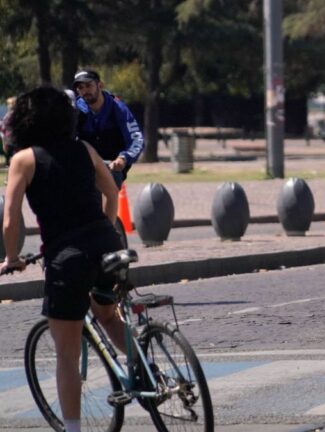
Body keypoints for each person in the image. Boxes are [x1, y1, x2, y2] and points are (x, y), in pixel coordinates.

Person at [1, 86, 126, 432]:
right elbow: (112, 193)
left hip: (67, 258)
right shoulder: (84, 149)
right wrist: (107, 229)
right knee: (109, 315)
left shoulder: (24, 160)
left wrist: (11, 258)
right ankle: (148, 370)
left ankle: (72, 429)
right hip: (107, 244)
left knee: (67, 356)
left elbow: (11, 219)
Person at [73, 69, 144, 188]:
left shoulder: (118, 109)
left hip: (113, 168)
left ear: (100, 85)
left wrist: (123, 158)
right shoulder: (75, 110)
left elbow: (137, 139)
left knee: (106, 199)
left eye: (88, 85)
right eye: (80, 88)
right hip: (85, 168)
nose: (85, 91)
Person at [1, 96, 17, 165]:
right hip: (14, 139)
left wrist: (4, 141)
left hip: (10, 139)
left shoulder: (8, 115)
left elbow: (3, 127)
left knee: (11, 159)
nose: (8, 106)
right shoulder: (18, 114)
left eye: (9, 104)